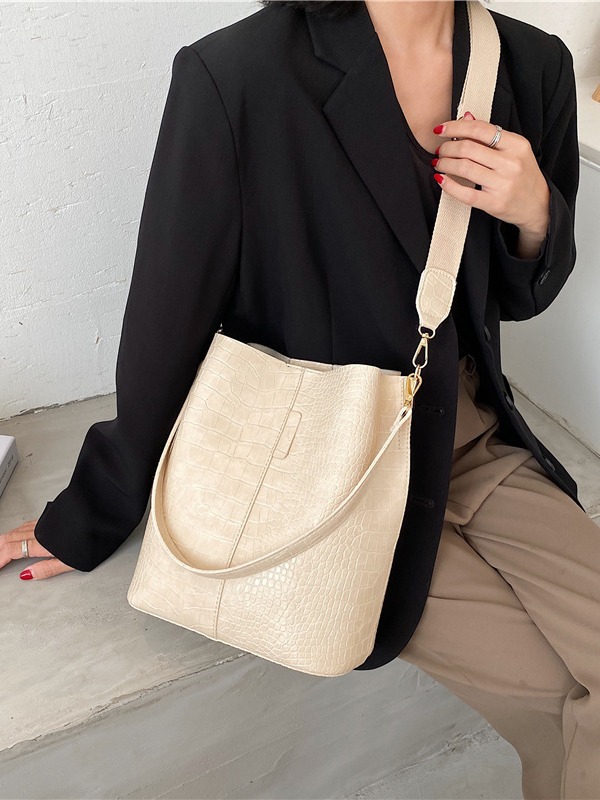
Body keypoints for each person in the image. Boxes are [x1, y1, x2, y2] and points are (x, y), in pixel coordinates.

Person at [3, 1, 597, 796]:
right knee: (565, 704)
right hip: (321, 480)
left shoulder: (532, 64)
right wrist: (96, 509)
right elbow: (168, 317)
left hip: (474, 441)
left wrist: (536, 214)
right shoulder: (240, 73)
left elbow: (521, 298)